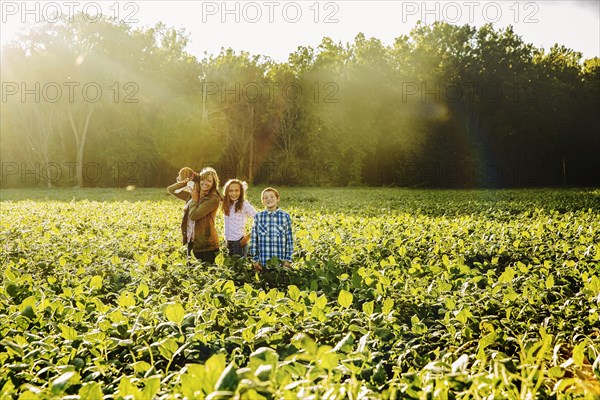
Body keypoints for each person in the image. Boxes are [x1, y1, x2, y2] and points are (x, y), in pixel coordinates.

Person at [168, 167, 222, 263]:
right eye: (202, 179)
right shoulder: (194, 193)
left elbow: (194, 216)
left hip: (206, 245)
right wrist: (188, 179)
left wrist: (194, 200)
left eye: (209, 181)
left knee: (207, 274)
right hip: (191, 241)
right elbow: (171, 189)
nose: (205, 183)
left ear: (214, 183)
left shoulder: (213, 199)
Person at [249, 187, 293, 272]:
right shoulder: (258, 217)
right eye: (266, 198)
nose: (269, 199)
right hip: (263, 263)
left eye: (272, 197)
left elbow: (289, 240)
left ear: (278, 199)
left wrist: (288, 260)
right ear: (262, 201)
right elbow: (254, 240)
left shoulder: (285, 216)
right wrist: (255, 260)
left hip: (281, 262)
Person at [222, 179, 257, 257]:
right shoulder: (227, 204)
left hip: (239, 243)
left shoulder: (244, 204)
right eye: (231, 190)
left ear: (241, 192)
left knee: (238, 267)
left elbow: (260, 219)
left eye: (237, 190)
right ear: (227, 192)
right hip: (228, 242)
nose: (233, 193)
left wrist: (249, 236)